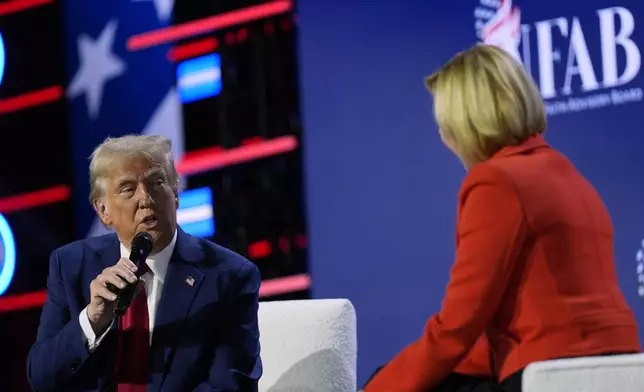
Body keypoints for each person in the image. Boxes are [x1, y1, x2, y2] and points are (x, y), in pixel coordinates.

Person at [364, 44, 642, 392]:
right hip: (621, 364)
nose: (443, 137)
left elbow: (457, 327)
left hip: (548, 371)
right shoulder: (569, 175)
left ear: (464, 124)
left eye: (443, 124)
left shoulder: (495, 183)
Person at [26, 135, 262, 391]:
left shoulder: (229, 275)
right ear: (103, 210)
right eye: (128, 188)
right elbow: (41, 377)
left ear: (175, 194)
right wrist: (91, 320)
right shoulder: (70, 265)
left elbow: (231, 386)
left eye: (157, 182)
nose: (145, 198)